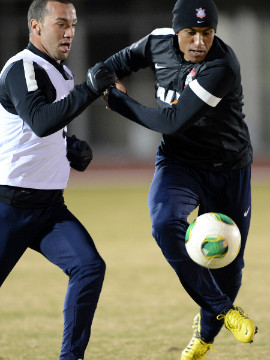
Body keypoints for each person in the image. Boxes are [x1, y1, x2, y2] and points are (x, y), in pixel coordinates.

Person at [104, 0, 258, 358]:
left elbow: (172, 121)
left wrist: (118, 101)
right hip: (179, 162)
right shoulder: (157, 41)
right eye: (191, 32)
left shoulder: (222, 65)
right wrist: (101, 79)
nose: (199, 42)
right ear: (177, 32)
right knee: (164, 224)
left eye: (207, 32)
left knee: (229, 265)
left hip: (229, 168)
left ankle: (205, 335)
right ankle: (223, 311)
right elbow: (112, 67)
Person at [0, 0, 116, 359]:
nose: (69, 32)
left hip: (48, 209)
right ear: (35, 27)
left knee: (89, 267)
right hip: (8, 205)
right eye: (61, 24)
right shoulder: (24, 67)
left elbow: (48, 128)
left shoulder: (61, 73)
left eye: (74, 25)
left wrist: (70, 146)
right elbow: (39, 120)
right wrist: (89, 89)